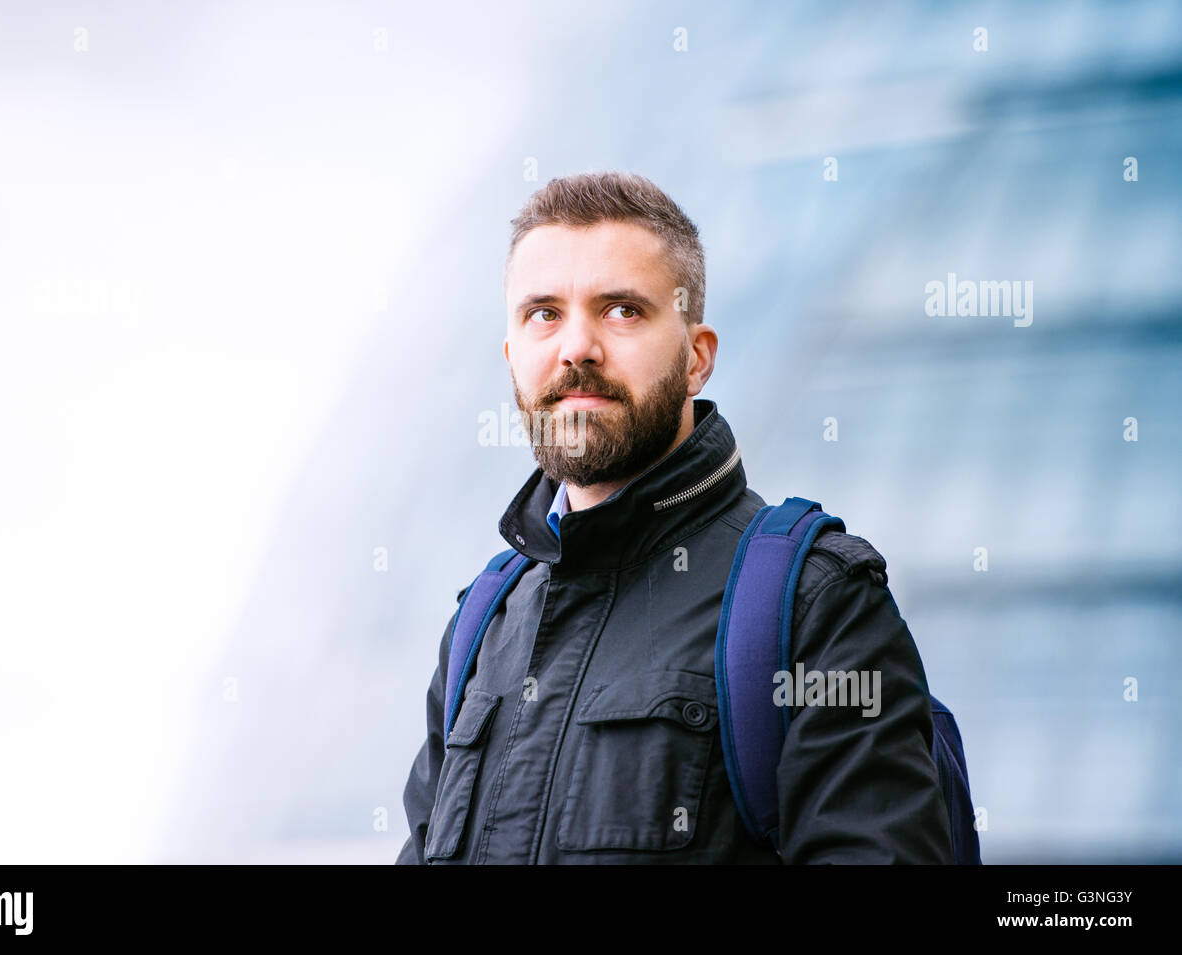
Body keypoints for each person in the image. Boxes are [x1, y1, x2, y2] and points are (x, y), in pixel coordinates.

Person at [396, 170, 953, 864]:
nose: (576, 348)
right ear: (513, 355)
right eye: (544, 313)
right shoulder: (481, 626)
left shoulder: (817, 605)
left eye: (621, 309)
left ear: (696, 358)